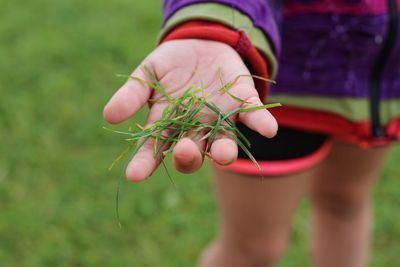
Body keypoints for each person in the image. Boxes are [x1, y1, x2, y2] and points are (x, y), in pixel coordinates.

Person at [103, 0, 400, 266]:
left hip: (378, 86)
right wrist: (211, 18)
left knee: (345, 202)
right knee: (251, 251)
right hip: (267, 92)